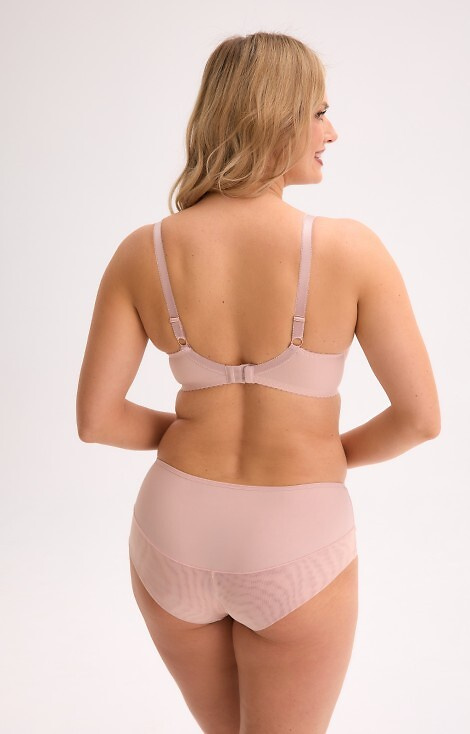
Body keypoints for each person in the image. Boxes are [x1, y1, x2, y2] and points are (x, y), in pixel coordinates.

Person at [76, 31, 441, 734]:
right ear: (274, 115)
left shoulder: (142, 251)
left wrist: (194, 428)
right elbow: (421, 419)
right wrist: (328, 452)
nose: (331, 132)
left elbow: (97, 421)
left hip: (173, 528)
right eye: (318, 112)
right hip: (295, 531)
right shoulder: (350, 248)